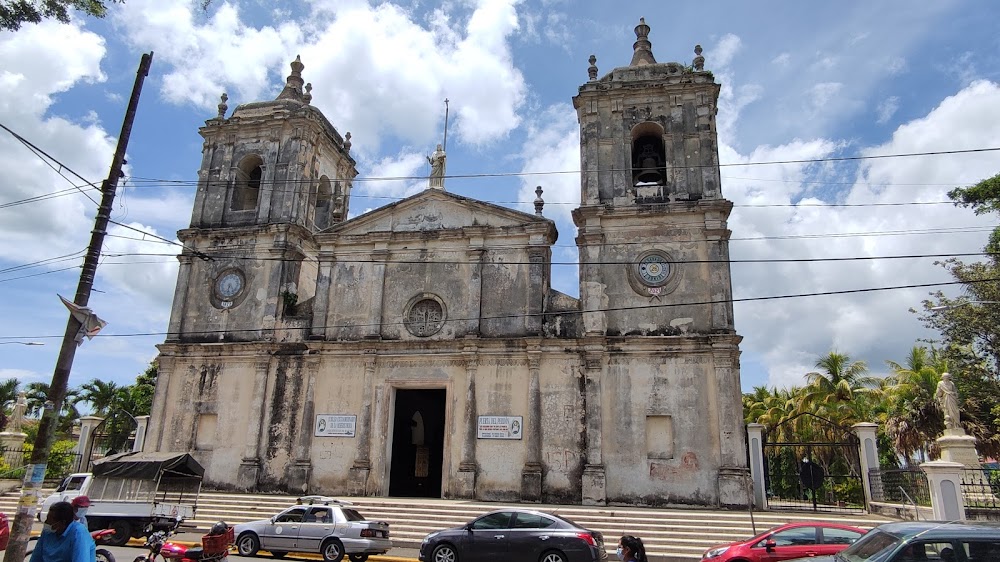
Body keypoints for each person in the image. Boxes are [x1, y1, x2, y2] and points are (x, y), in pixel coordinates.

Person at [31, 501, 96, 562]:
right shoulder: (47, 531)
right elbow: (36, 557)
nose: (46, 522)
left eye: (50, 520)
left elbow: (80, 559)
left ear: (62, 522)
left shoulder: (78, 532)